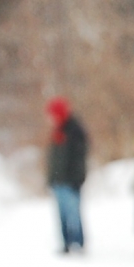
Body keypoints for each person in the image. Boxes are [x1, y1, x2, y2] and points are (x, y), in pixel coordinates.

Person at [45, 96, 89, 255]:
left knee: (74, 216)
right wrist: (51, 179)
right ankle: (66, 244)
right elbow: (53, 160)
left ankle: (79, 243)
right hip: (58, 182)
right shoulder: (57, 131)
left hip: (71, 183)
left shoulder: (74, 130)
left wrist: (77, 180)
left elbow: (79, 159)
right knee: (62, 216)